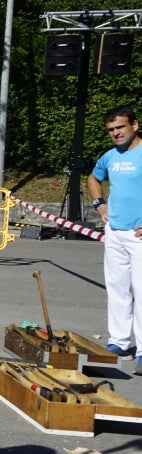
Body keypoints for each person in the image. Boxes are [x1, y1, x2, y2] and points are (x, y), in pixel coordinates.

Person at [87, 105, 142, 358]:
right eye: (111, 129)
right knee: (118, 289)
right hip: (115, 232)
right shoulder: (109, 157)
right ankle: (119, 342)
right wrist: (100, 204)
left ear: (135, 125)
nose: (116, 133)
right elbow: (93, 178)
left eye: (120, 127)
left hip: (138, 235)